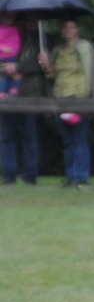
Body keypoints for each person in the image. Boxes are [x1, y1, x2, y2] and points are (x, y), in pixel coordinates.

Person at [43, 18, 94, 188]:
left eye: (71, 27)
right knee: (67, 139)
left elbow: (90, 72)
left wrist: (87, 97)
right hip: (61, 97)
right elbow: (52, 75)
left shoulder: (84, 48)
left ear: (77, 29)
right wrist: (45, 64)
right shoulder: (58, 51)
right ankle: (71, 176)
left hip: (78, 97)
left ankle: (81, 177)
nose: (68, 30)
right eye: (65, 27)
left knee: (79, 138)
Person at [1, 14, 47, 184]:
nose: (31, 22)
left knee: (29, 136)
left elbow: (43, 66)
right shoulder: (9, 36)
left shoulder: (40, 42)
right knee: (7, 136)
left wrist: (18, 67)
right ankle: (9, 175)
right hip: (7, 95)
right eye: (28, 20)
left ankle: (30, 175)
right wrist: (8, 69)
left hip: (30, 94)